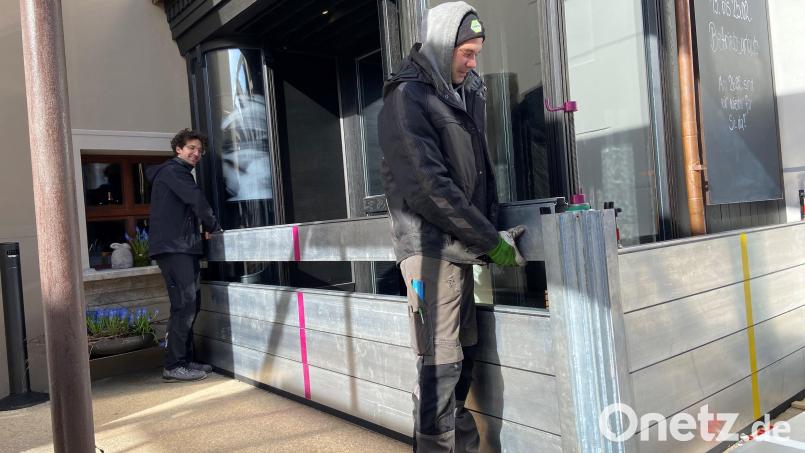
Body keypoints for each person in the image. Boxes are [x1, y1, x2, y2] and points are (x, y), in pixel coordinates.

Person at [378, 2, 525, 451]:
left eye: (477, 52)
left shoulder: (461, 96)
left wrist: (486, 237)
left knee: (464, 355)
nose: (473, 61)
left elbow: (478, 176)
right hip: (430, 251)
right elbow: (429, 188)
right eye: (467, 51)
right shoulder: (407, 99)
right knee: (439, 364)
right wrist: (489, 242)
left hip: (462, 249)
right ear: (443, 45)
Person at [146, 128, 222, 382]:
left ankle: (185, 360)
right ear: (178, 149)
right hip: (175, 248)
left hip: (180, 246)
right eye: (191, 148)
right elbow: (196, 200)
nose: (196, 153)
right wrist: (212, 226)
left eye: (199, 150)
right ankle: (174, 365)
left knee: (189, 304)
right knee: (184, 305)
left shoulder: (175, 173)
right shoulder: (174, 172)